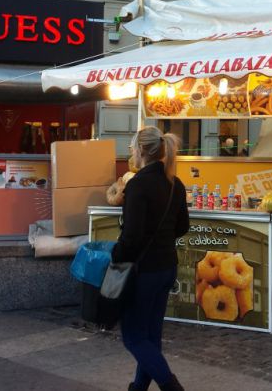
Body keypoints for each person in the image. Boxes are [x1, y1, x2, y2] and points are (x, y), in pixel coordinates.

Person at [111, 126, 189, 391]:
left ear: (141, 150)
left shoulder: (138, 185)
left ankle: (172, 387)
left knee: (134, 337)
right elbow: (182, 227)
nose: (131, 152)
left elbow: (131, 237)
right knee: (150, 336)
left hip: (144, 271)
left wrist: (114, 255)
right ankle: (139, 387)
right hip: (167, 267)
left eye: (132, 147)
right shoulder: (175, 183)